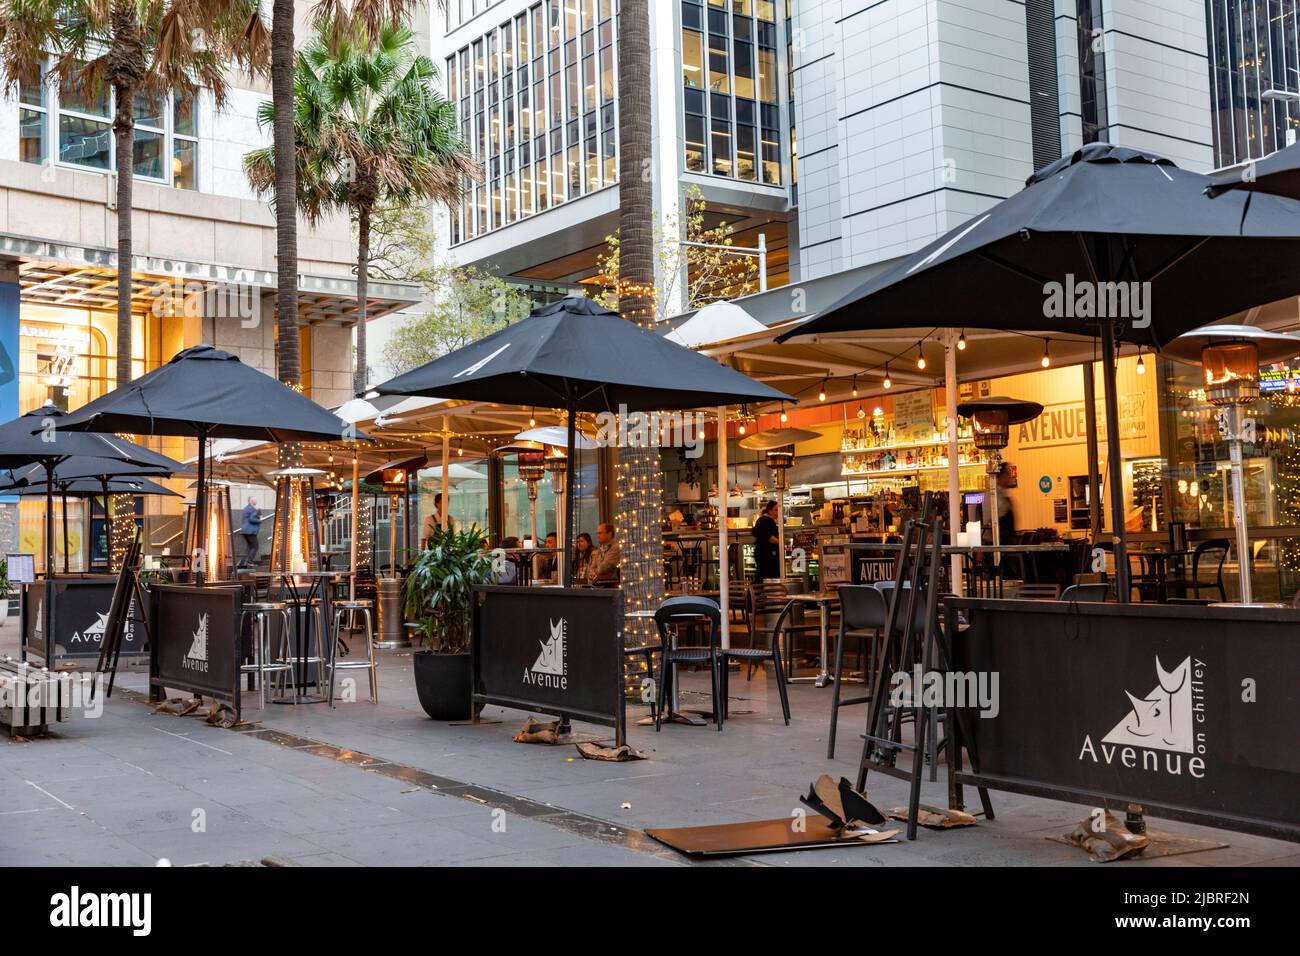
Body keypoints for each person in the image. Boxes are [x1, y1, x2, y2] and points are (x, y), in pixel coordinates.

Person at [752, 499, 780, 581]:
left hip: (761, 552)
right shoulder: (766, 521)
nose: (777, 512)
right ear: (769, 511)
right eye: (775, 510)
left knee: (762, 575)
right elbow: (769, 537)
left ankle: (757, 592)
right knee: (766, 575)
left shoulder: (763, 520)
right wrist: (781, 542)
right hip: (766, 554)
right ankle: (757, 592)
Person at [238, 497, 262, 567]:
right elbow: (252, 519)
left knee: (250, 547)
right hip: (250, 531)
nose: (256, 501)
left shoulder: (246, 508)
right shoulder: (253, 509)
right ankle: (249, 561)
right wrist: (260, 520)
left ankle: (243, 562)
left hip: (245, 530)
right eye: (255, 500)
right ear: (251, 501)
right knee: (255, 546)